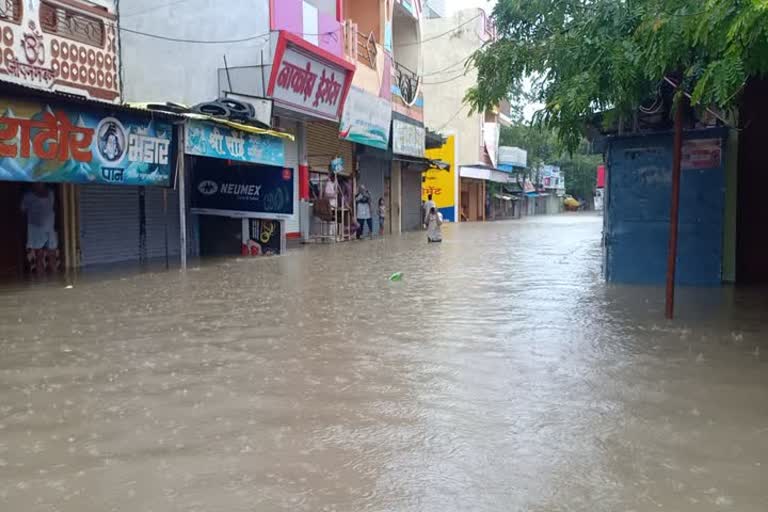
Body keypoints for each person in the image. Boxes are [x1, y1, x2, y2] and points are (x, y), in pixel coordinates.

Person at [21, 183, 59, 274]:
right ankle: (40, 282)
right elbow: (22, 210)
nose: (39, 183)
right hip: (36, 228)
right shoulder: (28, 196)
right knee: (39, 255)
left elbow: (53, 208)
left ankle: (55, 282)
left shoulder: (51, 193)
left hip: (50, 227)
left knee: (52, 254)